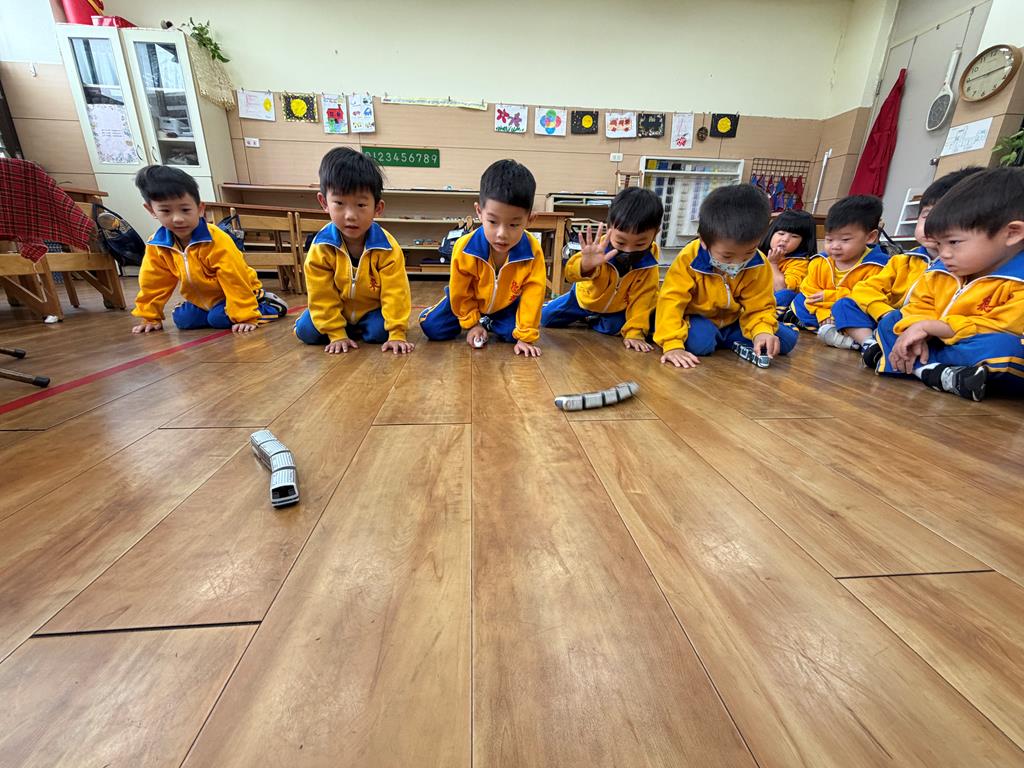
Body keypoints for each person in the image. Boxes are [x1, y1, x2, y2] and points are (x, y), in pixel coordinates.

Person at [867, 166, 1024, 401]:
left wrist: (934, 328)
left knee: (1006, 348)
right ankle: (937, 372)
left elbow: (1001, 326)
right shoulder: (941, 270)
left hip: (975, 347)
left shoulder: (1018, 280)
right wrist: (916, 328)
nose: (944, 254)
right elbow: (919, 306)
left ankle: (912, 366)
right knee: (893, 321)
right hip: (937, 342)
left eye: (954, 242)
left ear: (1012, 233)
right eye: (939, 244)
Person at [837, 167, 984, 351]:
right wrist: (884, 313)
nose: (932, 226)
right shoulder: (904, 260)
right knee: (845, 305)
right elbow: (865, 289)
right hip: (889, 316)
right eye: (927, 216)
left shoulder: (961, 268)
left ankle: (881, 344)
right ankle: (870, 344)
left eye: (944, 218)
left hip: (923, 328)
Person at [654, 184, 797, 367]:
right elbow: (671, 301)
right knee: (700, 343)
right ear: (704, 241)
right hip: (699, 319)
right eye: (727, 256)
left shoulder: (759, 262)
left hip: (734, 321)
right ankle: (721, 339)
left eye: (748, 253)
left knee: (786, 341)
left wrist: (762, 331)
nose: (737, 263)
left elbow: (760, 305)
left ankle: (727, 339)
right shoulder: (689, 258)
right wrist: (672, 344)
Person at [131, 165, 286, 334]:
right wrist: (150, 316)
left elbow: (234, 278)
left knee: (218, 319)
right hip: (203, 301)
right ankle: (216, 313)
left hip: (238, 295)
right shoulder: (157, 245)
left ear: (200, 209)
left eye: (185, 210)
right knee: (183, 319)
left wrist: (246, 316)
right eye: (166, 211)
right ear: (151, 210)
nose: (177, 219)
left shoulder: (216, 240)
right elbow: (153, 282)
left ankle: (267, 305)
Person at [419, 159, 546, 357]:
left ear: (530, 220)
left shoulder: (533, 251)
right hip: (467, 300)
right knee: (432, 327)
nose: (502, 234)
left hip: (504, 305)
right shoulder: (465, 247)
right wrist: (471, 324)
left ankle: (488, 321)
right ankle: (477, 320)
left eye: (514, 225)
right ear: (479, 212)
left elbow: (533, 294)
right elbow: (461, 291)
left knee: (513, 334)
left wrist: (525, 336)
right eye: (493, 221)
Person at [293, 148, 413, 354]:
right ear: (324, 203)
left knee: (379, 332)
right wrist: (336, 334)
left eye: (361, 205)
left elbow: (396, 293)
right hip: (336, 310)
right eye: (339, 203)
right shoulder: (321, 248)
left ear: (378, 208)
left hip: (370, 312)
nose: (350, 215)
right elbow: (321, 294)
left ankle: (356, 329)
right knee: (306, 331)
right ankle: (342, 328)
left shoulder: (387, 247)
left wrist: (397, 333)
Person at [541, 187, 662, 352]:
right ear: (609, 228)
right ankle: (586, 314)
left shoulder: (650, 262)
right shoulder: (598, 247)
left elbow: (644, 298)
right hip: (584, 298)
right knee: (546, 318)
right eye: (621, 242)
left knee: (615, 327)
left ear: (655, 234)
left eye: (640, 243)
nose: (628, 250)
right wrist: (585, 265)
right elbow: (570, 274)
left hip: (617, 307)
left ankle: (592, 319)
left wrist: (635, 333)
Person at [792, 194, 888, 348]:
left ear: (870, 237)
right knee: (798, 300)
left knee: (851, 309)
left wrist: (830, 297)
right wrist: (824, 313)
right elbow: (809, 290)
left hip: (851, 312)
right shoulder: (820, 261)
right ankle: (837, 333)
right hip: (822, 311)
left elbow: (869, 297)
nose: (835, 246)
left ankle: (852, 337)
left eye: (845, 240)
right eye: (829, 239)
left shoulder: (878, 266)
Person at [760, 209, 818, 310]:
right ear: (771, 233)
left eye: (794, 236)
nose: (785, 239)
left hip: (776, 304)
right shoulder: (756, 252)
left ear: (803, 242)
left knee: (786, 296)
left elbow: (782, 290)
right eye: (781, 233)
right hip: (752, 298)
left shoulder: (800, 262)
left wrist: (773, 264)